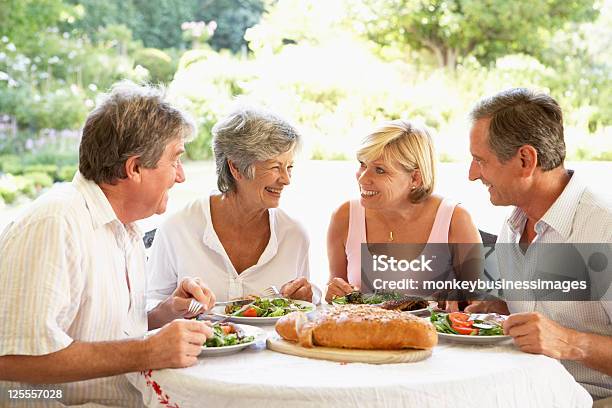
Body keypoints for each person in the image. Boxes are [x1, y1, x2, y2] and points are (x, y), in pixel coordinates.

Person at [0, 81, 216, 407]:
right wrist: (146, 351)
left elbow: (100, 330)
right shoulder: (56, 221)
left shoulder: (124, 227)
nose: (181, 176)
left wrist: (165, 314)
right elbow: (12, 357)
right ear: (134, 168)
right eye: (175, 160)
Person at [466, 87, 612, 401]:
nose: (472, 174)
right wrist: (499, 309)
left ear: (525, 160)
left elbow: (559, 334)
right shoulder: (513, 223)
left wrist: (570, 342)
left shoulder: (604, 229)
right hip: (526, 394)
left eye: (480, 161)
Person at [146, 106, 319, 306]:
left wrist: (307, 297)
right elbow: (149, 308)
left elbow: (304, 315)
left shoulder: (294, 235)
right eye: (275, 167)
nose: (286, 180)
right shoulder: (178, 228)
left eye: (289, 167)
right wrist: (175, 306)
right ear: (235, 167)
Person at [325, 119, 481, 304]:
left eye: (380, 170)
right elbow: (336, 291)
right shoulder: (344, 217)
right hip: (366, 330)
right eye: (362, 164)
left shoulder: (455, 219)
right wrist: (333, 292)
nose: (363, 178)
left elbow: (481, 306)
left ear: (415, 178)